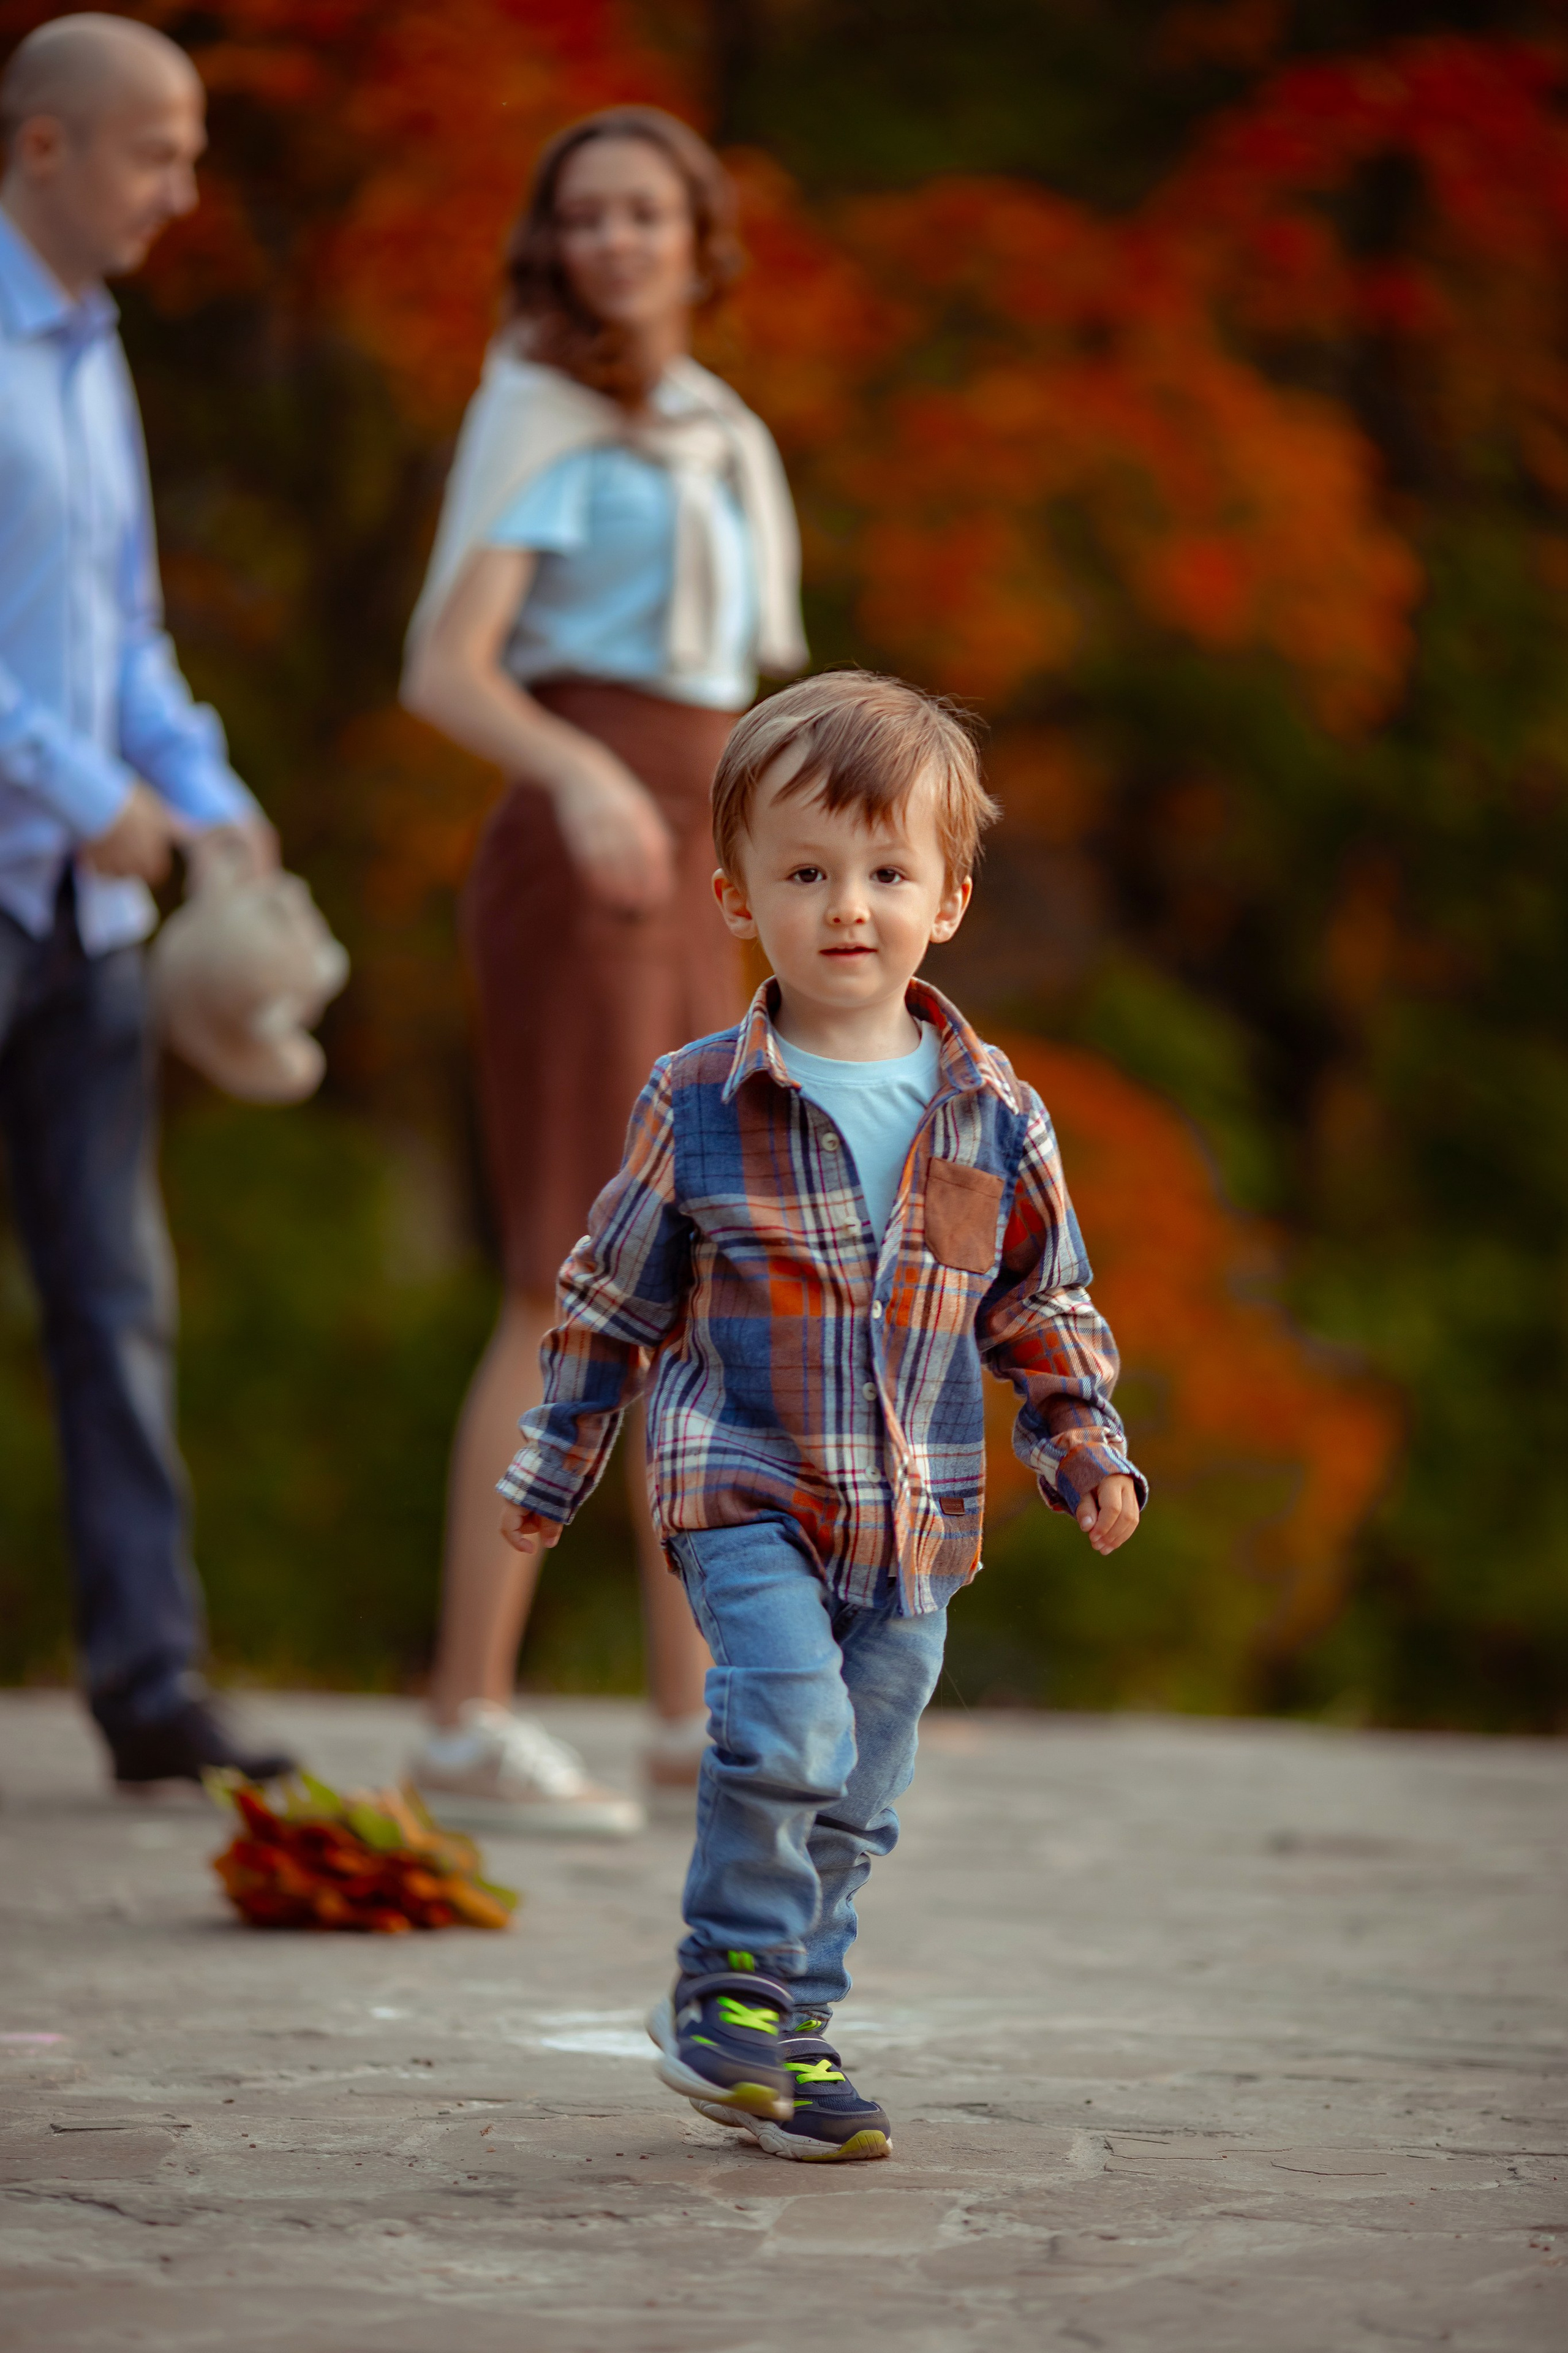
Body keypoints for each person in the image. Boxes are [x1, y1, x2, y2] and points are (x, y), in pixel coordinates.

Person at [496, 670, 1147, 2161]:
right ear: (734, 896)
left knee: (857, 1792)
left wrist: (1086, 1447)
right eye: (804, 874)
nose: (847, 906)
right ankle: (722, 1986)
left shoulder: (996, 1115)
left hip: (914, 1523)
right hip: (744, 1489)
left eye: (885, 873)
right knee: (786, 1724)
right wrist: (556, 1464)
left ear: (949, 900)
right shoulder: (696, 1099)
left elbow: (1039, 1303)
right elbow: (610, 1297)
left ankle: (789, 2029)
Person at [402, 107, 804, 1834]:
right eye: (585, 216)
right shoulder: (536, 409)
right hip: (586, 852)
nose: (614, 241)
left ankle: (685, 1723)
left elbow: (741, 685)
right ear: (551, 244)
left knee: (703, 1286)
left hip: (698, 850)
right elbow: (445, 666)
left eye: (645, 212)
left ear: (699, 238)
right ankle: (464, 1717)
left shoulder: (721, 430)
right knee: (570, 1280)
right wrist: (574, 777)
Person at [0, 14, 293, 1789]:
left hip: (80, 928)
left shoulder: (94, 347)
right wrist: (77, 784)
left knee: (114, 1302)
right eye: (156, 151)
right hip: (25, 858)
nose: (184, 189)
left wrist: (200, 787)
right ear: (45, 145)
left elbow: (119, 634)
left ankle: (149, 1686)